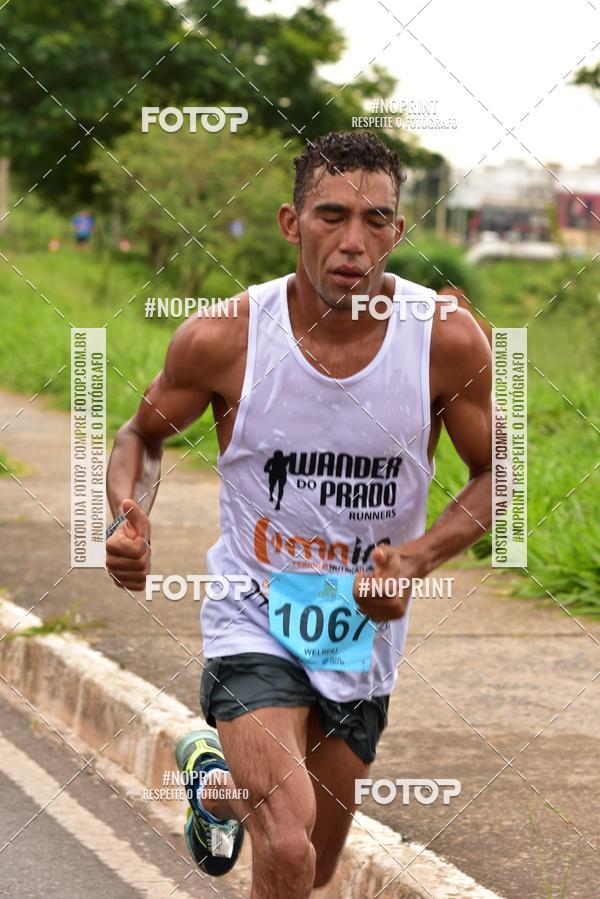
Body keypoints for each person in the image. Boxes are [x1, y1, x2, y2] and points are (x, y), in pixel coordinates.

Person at [105, 130, 492, 898]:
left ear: (398, 230)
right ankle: (236, 783)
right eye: (331, 215)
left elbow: (499, 473)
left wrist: (418, 557)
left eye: (376, 219)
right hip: (253, 608)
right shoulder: (227, 336)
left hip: (361, 624)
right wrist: (126, 511)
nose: (353, 240)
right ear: (291, 222)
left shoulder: (443, 339)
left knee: (311, 863)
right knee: (284, 845)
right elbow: (141, 435)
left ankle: (212, 784)